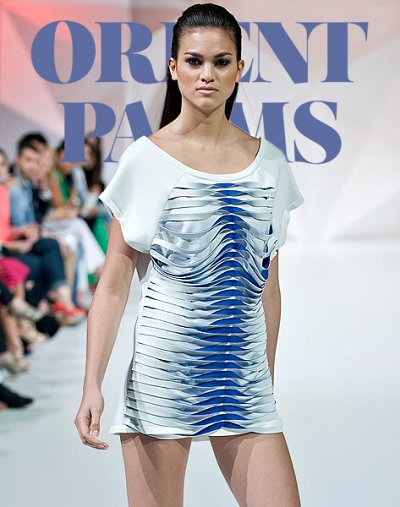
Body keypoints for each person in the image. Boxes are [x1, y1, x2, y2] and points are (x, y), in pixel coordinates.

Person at [75, 3, 304, 506]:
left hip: (243, 381)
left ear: (239, 69)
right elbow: (113, 285)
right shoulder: (145, 160)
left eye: (221, 62)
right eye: (195, 61)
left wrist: (265, 375)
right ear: (174, 67)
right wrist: (92, 384)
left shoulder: (269, 163)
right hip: (162, 377)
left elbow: (267, 284)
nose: (207, 74)